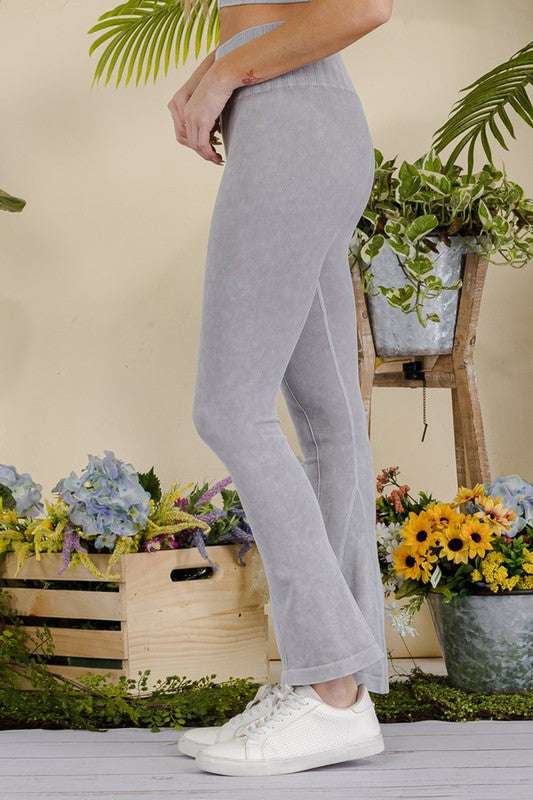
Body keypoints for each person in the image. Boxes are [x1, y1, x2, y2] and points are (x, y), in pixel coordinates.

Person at [168, 0, 393, 777]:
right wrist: (211, 73)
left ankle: (331, 686)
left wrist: (224, 72)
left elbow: (363, 6)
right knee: (329, 422)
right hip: (299, 116)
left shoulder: (260, 78)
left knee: (230, 410)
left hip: (288, 117)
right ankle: (334, 689)